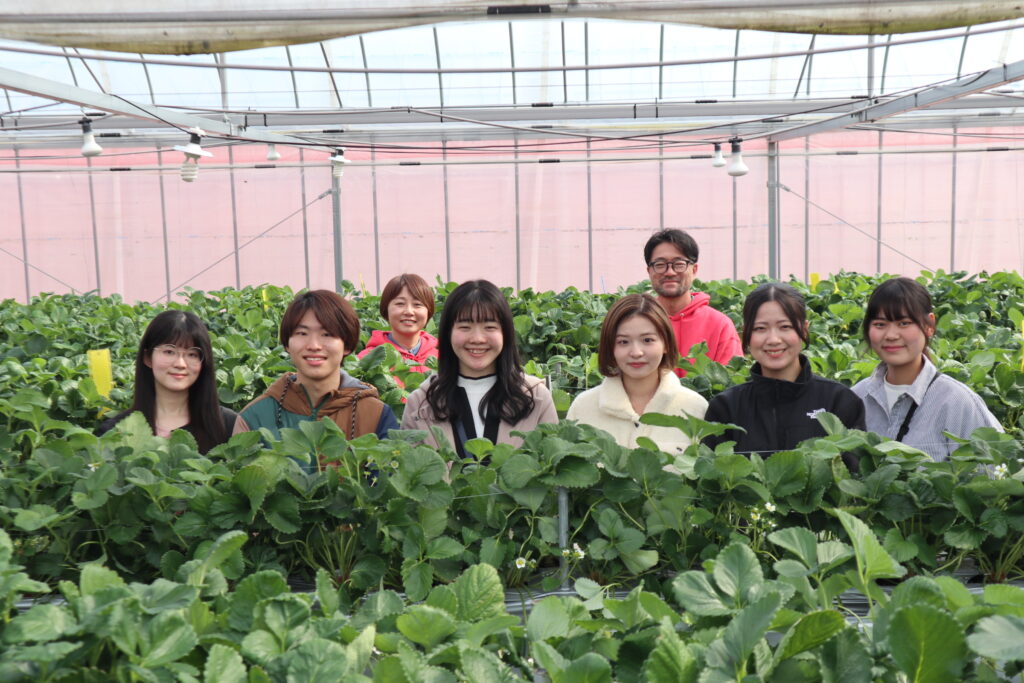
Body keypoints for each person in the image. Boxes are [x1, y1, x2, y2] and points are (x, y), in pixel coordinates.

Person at [704, 282, 865, 461]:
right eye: (760, 328)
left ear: (804, 329)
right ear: (747, 334)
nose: (773, 339)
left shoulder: (839, 401)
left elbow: (854, 470)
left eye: (785, 327)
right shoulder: (726, 407)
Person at [233, 290, 399, 464]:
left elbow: (386, 475)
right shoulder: (254, 417)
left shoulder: (375, 414)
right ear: (287, 343)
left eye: (327, 334)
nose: (314, 345)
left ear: (347, 345)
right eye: (302, 333)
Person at [400, 279, 558, 458]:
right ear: (448, 333)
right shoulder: (421, 403)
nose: (477, 339)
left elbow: (551, 465)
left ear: (505, 333)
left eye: (489, 327)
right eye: (465, 327)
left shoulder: (536, 398)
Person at [852, 277, 1001, 461]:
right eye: (880, 324)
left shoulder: (957, 402)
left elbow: (991, 472)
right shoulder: (856, 398)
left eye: (904, 323)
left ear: (929, 325)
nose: (891, 335)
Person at [566, 293, 708, 453]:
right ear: (611, 347)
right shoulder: (583, 407)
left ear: (666, 344)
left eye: (647, 340)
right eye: (623, 342)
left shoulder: (695, 408)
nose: (636, 352)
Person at [97, 310, 237, 454]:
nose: (180, 364)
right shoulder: (115, 432)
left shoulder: (229, 425)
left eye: (192, 354)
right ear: (148, 357)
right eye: (169, 352)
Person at [643, 229, 742, 376]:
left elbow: (731, 382)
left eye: (679, 264)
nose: (670, 272)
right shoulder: (639, 321)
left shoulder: (720, 325)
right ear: (649, 271)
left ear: (694, 270)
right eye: (660, 264)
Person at [358, 273, 438, 373]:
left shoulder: (444, 357)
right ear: (386, 309)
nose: (409, 311)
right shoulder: (368, 360)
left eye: (417, 304)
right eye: (400, 304)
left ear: (428, 311)